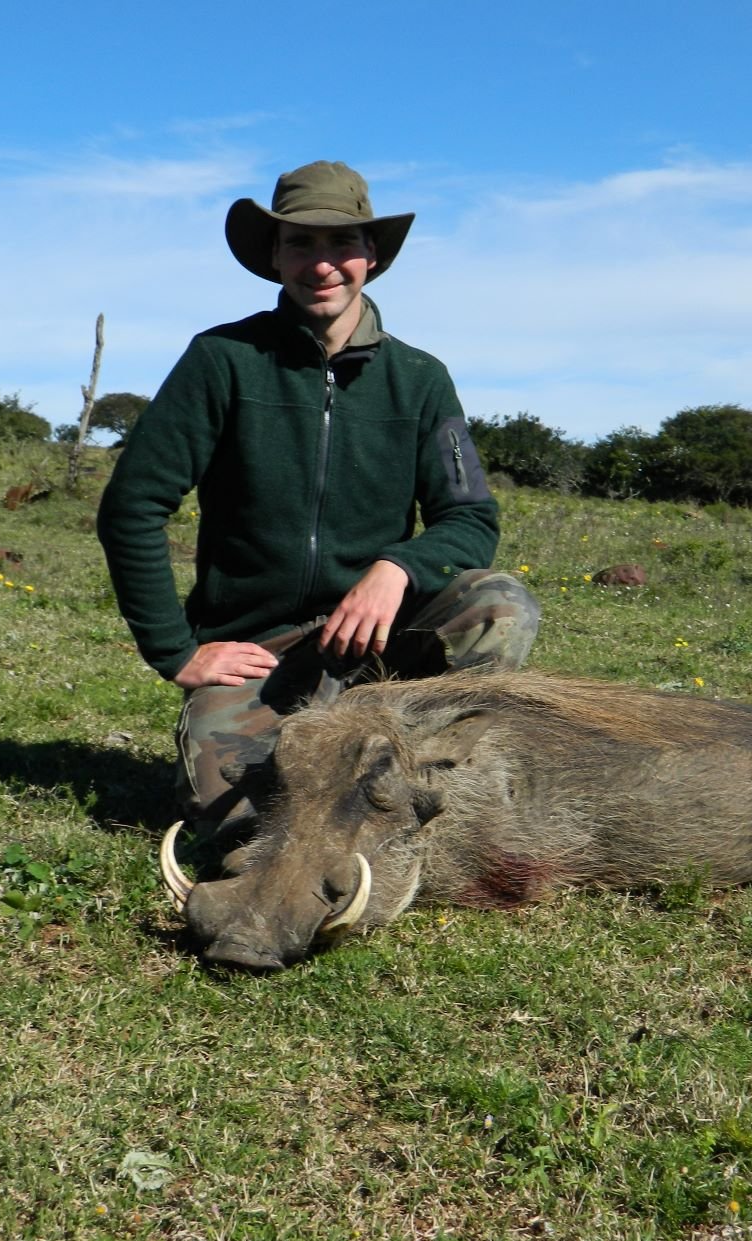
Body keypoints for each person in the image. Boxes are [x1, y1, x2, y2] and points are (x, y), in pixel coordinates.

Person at [97, 160, 539, 840]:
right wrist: (177, 652)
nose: (322, 264)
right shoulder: (221, 359)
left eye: (341, 245)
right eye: (301, 244)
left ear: (371, 256)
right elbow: (131, 506)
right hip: (261, 653)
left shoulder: (421, 380)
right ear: (275, 256)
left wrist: (394, 571)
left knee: (500, 604)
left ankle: (430, 782)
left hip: (384, 646)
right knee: (231, 824)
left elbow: (470, 517)